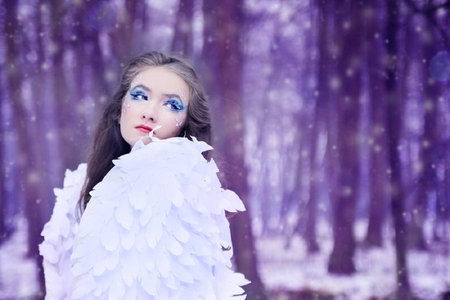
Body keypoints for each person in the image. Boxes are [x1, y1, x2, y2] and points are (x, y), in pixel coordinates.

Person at [39, 51, 248, 299]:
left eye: (172, 104)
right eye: (140, 95)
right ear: (119, 109)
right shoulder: (78, 186)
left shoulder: (181, 192)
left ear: (185, 124)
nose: (150, 112)